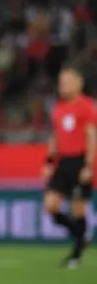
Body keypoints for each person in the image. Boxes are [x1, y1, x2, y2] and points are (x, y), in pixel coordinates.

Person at [41, 66, 94, 268]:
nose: (62, 86)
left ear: (78, 84)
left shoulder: (86, 106)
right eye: (61, 82)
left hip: (80, 161)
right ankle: (80, 235)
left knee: (78, 208)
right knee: (50, 205)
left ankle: (76, 255)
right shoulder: (59, 108)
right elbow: (55, 136)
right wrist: (49, 162)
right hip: (63, 162)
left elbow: (91, 136)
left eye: (66, 82)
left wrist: (89, 165)